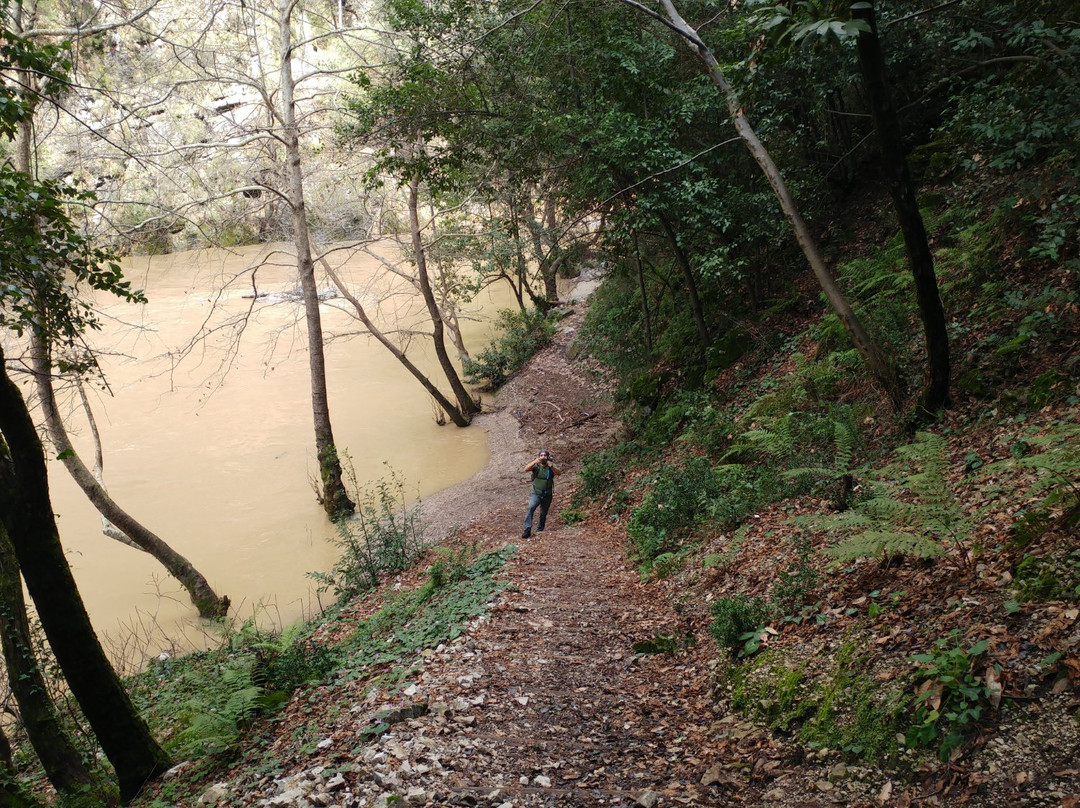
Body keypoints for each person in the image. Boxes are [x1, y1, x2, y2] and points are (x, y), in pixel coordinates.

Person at [522, 448, 560, 538]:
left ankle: (540, 529)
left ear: (547, 457)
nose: (543, 457)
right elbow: (526, 469)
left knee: (543, 513)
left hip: (548, 494)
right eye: (541, 455)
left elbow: (559, 473)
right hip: (536, 493)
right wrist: (534, 462)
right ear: (539, 457)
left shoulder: (551, 465)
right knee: (530, 508)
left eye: (545, 455)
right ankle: (527, 529)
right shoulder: (536, 466)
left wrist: (552, 467)